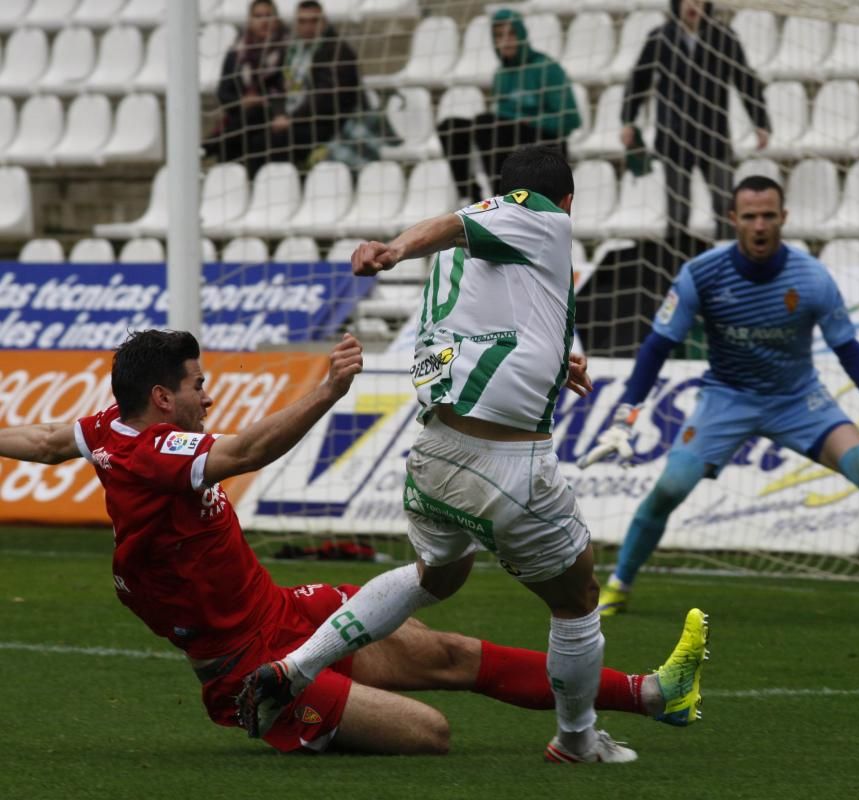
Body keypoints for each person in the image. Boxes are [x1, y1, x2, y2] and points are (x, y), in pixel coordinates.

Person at [0, 328, 705, 756]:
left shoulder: (104, 433)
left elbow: (41, 438)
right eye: (197, 385)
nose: (208, 396)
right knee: (430, 733)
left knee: (450, 653)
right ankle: (275, 711)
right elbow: (244, 453)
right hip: (244, 667)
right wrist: (327, 391)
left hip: (281, 611)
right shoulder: (152, 454)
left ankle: (650, 694)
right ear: (162, 399)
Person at [238, 146, 708, 764]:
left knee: (438, 575)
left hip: (433, 453)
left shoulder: (461, 265)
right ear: (561, 201)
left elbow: (466, 339)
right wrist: (392, 249)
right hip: (507, 465)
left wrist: (546, 361)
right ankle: (576, 741)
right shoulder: (542, 218)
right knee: (577, 598)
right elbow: (454, 222)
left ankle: (296, 668)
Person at [581, 175, 859, 618]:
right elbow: (657, 346)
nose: (760, 225)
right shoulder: (701, 274)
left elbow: (849, 350)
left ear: (783, 218)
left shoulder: (811, 278)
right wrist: (626, 414)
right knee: (669, 488)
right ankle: (619, 585)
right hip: (726, 398)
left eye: (769, 215)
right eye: (750, 217)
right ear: (733, 220)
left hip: (798, 399)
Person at [621, 0, 771, 253]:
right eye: (688, 0)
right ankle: (675, 265)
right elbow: (639, 80)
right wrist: (628, 120)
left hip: (713, 136)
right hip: (674, 137)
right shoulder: (661, 37)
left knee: (725, 204)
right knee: (678, 210)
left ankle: (729, 257)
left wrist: (761, 122)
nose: (693, 6)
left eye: (700, 1)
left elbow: (744, 78)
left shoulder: (723, 36)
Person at [437, 8, 581, 203]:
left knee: (487, 123)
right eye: (498, 36)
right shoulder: (501, 74)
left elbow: (571, 120)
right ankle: (470, 195)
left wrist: (530, 120)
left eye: (511, 34)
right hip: (510, 137)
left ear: (522, 35)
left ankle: (502, 198)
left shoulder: (546, 67)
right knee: (451, 127)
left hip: (544, 141)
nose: (505, 41)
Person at [274, 0, 363, 169]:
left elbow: (327, 98)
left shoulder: (336, 49)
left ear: (324, 21)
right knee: (254, 135)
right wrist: (279, 113)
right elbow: (278, 87)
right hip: (295, 118)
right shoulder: (292, 51)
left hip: (327, 123)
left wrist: (291, 119)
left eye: (314, 21)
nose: (308, 27)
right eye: (302, 21)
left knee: (274, 142)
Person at [209, 0, 290, 177]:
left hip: (276, 115)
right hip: (243, 117)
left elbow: (286, 87)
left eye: (268, 15)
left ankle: (211, 145)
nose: (264, 21)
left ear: (276, 19)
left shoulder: (288, 50)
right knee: (248, 121)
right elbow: (223, 92)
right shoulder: (236, 52)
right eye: (258, 16)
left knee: (256, 119)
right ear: (249, 20)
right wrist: (242, 102)